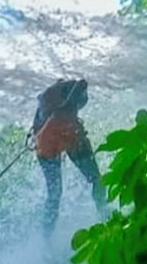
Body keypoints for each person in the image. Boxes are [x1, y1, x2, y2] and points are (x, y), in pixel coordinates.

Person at [31, 78, 108, 233]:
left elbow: (81, 86)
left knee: (97, 180)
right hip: (49, 142)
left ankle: (104, 212)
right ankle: (46, 236)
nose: (75, 110)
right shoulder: (49, 108)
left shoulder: (70, 109)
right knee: (55, 194)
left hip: (70, 135)